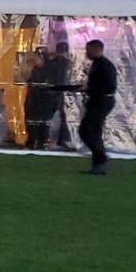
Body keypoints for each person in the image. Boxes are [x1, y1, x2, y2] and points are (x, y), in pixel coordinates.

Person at [57, 38, 117, 174]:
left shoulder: (105, 66)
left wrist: (87, 89)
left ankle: (101, 158)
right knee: (94, 132)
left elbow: (109, 86)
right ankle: (98, 165)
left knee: (86, 130)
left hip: (102, 101)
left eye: (88, 50)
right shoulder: (97, 64)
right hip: (98, 100)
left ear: (97, 49)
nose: (86, 53)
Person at [47, 40, 77, 150]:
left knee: (55, 117)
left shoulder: (52, 62)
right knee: (61, 117)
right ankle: (61, 140)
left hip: (54, 93)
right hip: (60, 94)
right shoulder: (65, 62)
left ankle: (54, 140)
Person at [23, 46, 53, 149]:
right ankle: (32, 140)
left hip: (44, 99)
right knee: (31, 120)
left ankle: (42, 141)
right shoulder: (33, 69)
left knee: (43, 121)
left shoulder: (50, 70)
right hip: (33, 98)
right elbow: (25, 79)